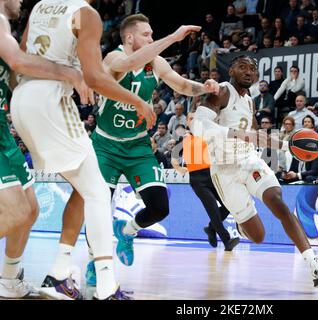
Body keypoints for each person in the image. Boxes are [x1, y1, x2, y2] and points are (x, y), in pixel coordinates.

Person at [43, 14, 220, 289]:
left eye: (152, 35)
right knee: (98, 206)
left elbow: (181, 85)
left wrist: (203, 87)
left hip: (138, 145)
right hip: (106, 146)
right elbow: (129, 63)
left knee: (160, 207)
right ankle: (94, 261)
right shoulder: (113, 59)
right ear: (129, 38)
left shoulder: (156, 63)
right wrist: (173, 37)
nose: (151, 39)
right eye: (146, 35)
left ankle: (127, 231)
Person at [11, 0, 159, 300]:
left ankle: (59, 274)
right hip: (51, 101)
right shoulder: (85, 14)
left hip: (22, 100)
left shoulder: (40, 6)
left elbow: (23, 54)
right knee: (97, 193)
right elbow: (94, 77)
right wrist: (138, 101)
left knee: (85, 189)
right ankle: (105, 286)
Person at [191, 55, 318, 287]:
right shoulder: (221, 92)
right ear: (231, 70)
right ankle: (241, 222)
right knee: (258, 236)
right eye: (242, 67)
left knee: (278, 202)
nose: (248, 72)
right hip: (225, 170)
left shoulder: (250, 101)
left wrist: (285, 145)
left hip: (249, 160)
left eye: (252, 68)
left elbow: (257, 136)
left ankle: (315, 266)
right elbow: (197, 126)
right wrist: (238, 134)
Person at [0, 0, 95, 299]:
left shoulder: (10, 28)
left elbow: (18, 79)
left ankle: (9, 280)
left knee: (30, 210)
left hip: (3, 129)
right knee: (15, 210)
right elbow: (18, 62)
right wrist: (70, 73)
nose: (21, 2)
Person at [171, 113, 240, 251]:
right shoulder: (185, 139)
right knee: (213, 209)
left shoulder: (208, 135)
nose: (193, 121)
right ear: (187, 122)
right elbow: (174, 158)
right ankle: (227, 241)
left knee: (229, 205)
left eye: (196, 118)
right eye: (190, 118)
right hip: (197, 179)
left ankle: (210, 228)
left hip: (213, 175)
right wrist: (179, 168)